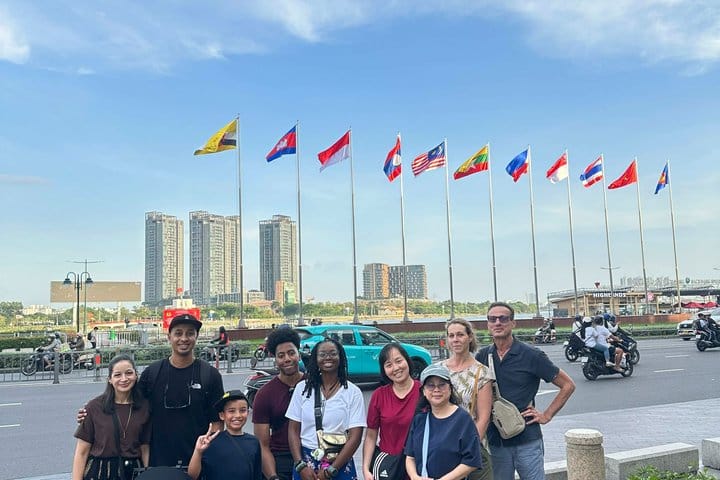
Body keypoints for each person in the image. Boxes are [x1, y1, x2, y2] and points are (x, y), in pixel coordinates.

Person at [79, 314, 225, 468]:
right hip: (157, 462)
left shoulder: (209, 375)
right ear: (169, 337)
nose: (184, 338)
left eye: (190, 333)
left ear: (196, 336)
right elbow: (127, 403)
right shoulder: (152, 373)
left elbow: (217, 423)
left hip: (198, 462)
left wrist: (208, 457)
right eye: (178, 333)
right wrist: (91, 412)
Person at [476, 301, 575, 480]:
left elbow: (567, 385)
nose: (497, 323)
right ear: (488, 324)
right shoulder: (483, 356)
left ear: (513, 323)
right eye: (492, 319)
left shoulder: (531, 354)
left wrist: (546, 415)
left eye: (503, 318)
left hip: (527, 438)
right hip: (496, 440)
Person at [287, 338, 365, 480]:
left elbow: (355, 437)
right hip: (306, 463)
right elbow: (293, 430)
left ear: (340, 357)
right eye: (322, 354)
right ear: (315, 359)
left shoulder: (353, 392)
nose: (328, 357)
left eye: (333, 353)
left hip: (339, 461)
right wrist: (300, 465)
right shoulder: (302, 389)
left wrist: (332, 470)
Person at [72, 354, 151, 480]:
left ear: (136, 375)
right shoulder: (94, 407)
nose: (124, 379)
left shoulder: (144, 407)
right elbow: (82, 452)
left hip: (133, 472)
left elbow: (145, 447)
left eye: (129, 373)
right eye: (117, 375)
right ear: (110, 379)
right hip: (100, 472)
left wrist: (148, 474)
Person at [404, 364, 483, 480]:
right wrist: (415, 476)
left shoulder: (462, 419)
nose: (436, 390)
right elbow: (410, 457)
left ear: (450, 389)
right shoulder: (420, 420)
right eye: (430, 385)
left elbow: (471, 461)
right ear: (424, 391)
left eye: (442, 384)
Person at [439, 318, 493, 480]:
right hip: (443, 446)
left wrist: (468, 449)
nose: (455, 339)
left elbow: (483, 418)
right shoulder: (439, 370)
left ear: (470, 337)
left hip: (473, 448)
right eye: (451, 335)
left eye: (460, 335)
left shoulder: (482, 372)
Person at [362, 343, 420, 480]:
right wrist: (365, 468)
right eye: (389, 365)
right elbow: (371, 436)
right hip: (389, 468)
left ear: (407, 360)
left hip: (419, 465)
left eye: (399, 361)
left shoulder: (424, 391)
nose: (396, 368)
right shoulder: (379, 395)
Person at [252, 328, 305, 480]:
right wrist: (273, 476)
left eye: (291, 353)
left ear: (299, 354)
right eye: (281, 356)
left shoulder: (314, 386)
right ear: (275, 359)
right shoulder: (264, 394)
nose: (287, 359)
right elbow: (262, 445)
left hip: (312, 454)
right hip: (280, 459)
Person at [188, 390, 262, 480]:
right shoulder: (209, 442)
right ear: (222, 415)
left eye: (242, 410)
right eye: (231, 411)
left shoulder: (254, 442)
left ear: (248, 412)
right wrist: (198, 451)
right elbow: (192, 476)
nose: (238, 415)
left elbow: (257, 475)